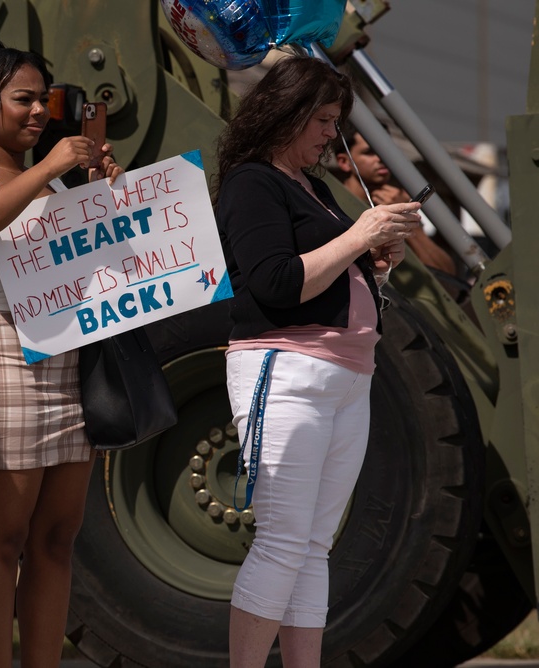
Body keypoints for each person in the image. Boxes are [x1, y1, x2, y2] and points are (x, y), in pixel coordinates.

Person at [213, 56, 422, 667]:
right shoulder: (253, 182)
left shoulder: (312, 187)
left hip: (344, 377)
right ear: (288, 113)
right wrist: (360, 236)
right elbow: (276, 282)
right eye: (324, 120)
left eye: (335, 120)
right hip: (287, 371)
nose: (332, 133)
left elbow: (324, 268)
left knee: (311, 545)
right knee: (284, 542)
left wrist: (375, 259)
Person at [0, 37, 120, 667]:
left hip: (66, 357)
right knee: (1, 538)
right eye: (23, 99)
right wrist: (52, 167)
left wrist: (103, 197)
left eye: (45, 99)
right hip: (0, 355)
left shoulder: (57, 184)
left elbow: (101, 266)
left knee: (58, 539)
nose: (38, 111)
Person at [334, 122, 456, 276]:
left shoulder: (397, 201)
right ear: (344, 162)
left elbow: (447, 276)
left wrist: (407, 222)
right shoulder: (332, 205)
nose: (380, 157)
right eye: (369, 152)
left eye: (385, 149)